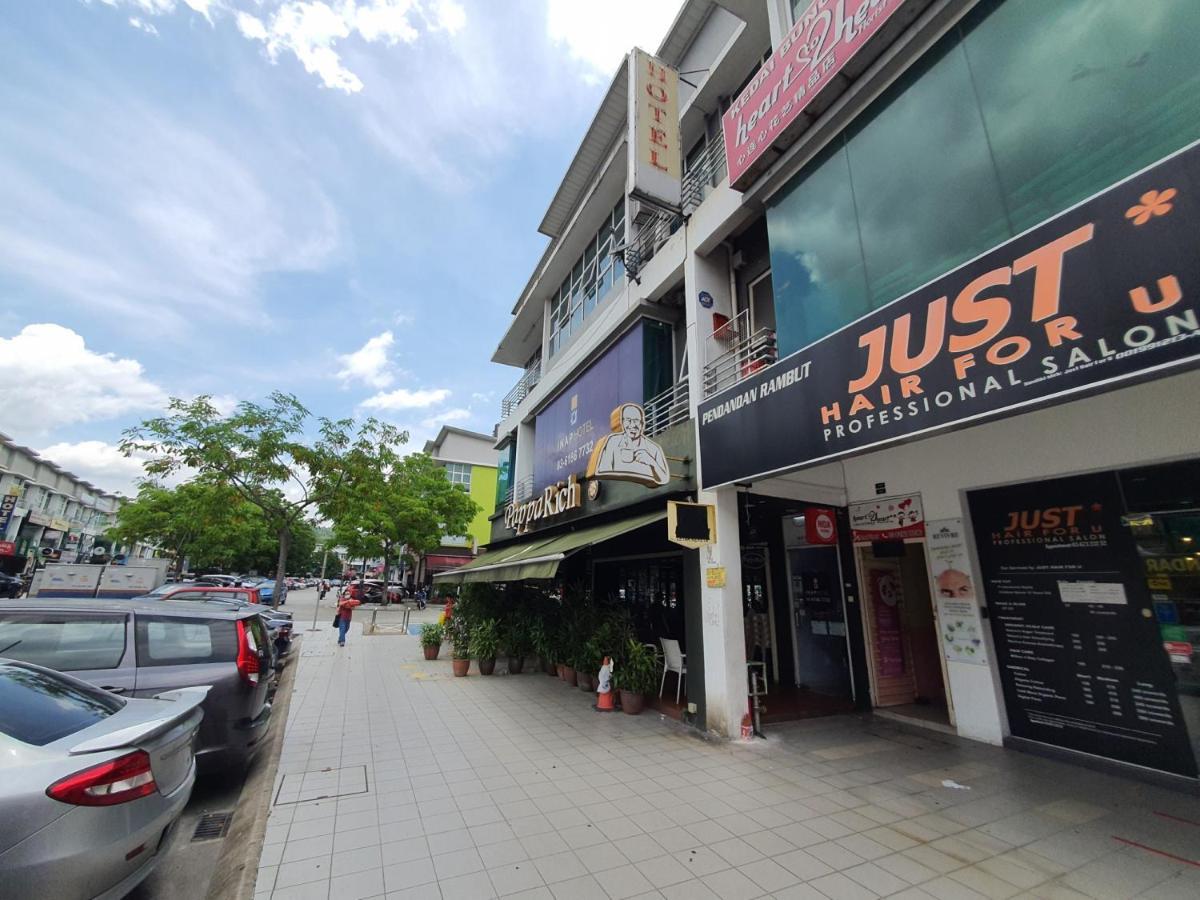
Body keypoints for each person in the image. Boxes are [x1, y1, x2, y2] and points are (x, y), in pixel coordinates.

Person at [587, 403, 670, 487]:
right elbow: (603, 469)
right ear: (622, 422)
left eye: (636, 421)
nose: (632, 425)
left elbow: (664, 478)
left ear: (642, 424)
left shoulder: (654, 449)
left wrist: (652, 462)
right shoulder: (612, 442)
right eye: (628, 420)